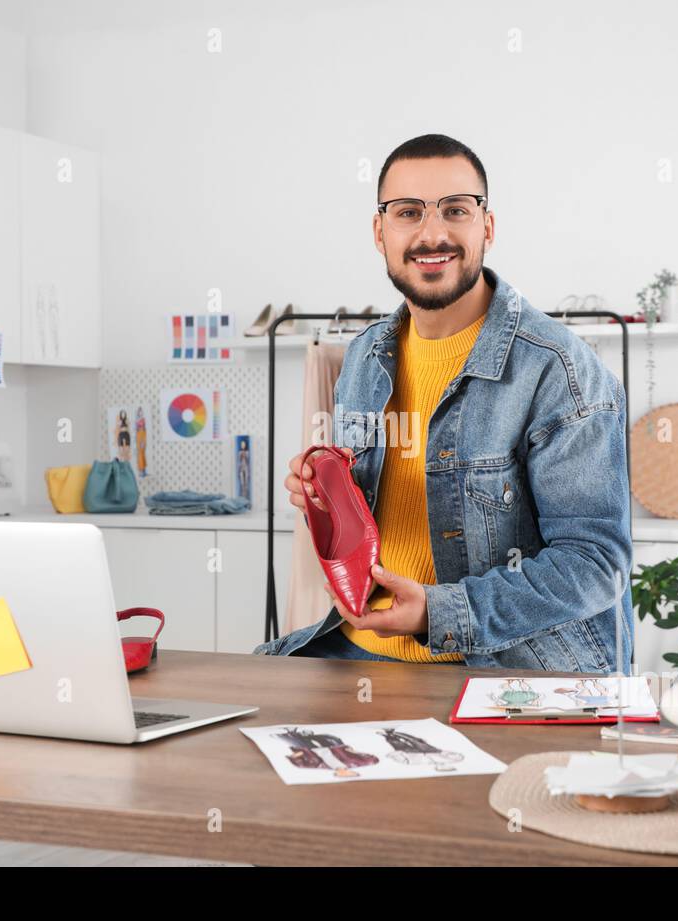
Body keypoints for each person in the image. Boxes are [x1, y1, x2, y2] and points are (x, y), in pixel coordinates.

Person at [257, 134, 633, 672]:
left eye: (455, 210)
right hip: (360, 649)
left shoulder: (561, 371)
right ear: (379, 232)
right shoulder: (365, 357)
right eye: (408, 212)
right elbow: (377, 517)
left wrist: (436, 612)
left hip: (505, 670)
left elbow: (595, 564)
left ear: (488, 226)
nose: (432, 234)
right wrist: (325, 493)